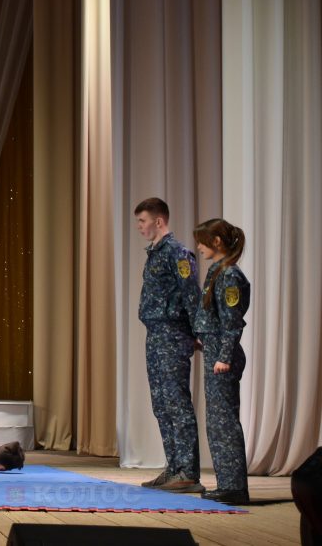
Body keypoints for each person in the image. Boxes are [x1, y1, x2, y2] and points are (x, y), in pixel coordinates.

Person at [133, 198, 203, 493]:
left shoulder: (178, 253)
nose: (139, 227)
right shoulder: (155, 254)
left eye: (142, 221)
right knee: (161, 404)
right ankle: (174, 467)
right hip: (156, 335)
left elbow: (191, 294)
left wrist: (198, 332)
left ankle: (187, 471)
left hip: (173, 334)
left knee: (176, 402)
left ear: (158, 221)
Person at [193, 218, 251, 505]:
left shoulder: (229, 275)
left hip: (222, 358)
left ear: (216, 241)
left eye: (202, 241)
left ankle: (234, 487)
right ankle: (227, 483)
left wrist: (224, 357)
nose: (198, 247)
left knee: (224, 423)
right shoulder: (218, 271)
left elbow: (232, 321)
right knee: (217, 423)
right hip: (215, 353)